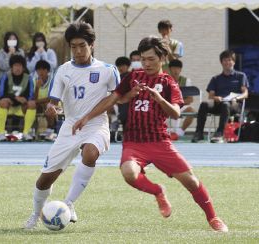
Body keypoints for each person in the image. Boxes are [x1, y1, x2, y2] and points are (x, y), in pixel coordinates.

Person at [73, 36, 228, 232]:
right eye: (143, 59)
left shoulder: (168, 83)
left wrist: (160, 99)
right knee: (129, 173)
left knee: (191, 181)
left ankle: (214, 218)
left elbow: (176, 113)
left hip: (160, 141)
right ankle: (158, 191)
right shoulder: (133, 76)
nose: (146, 63)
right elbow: (113, 99)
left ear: (162, 58)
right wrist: (87, 117)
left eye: (151, 59)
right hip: (134, 142)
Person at [24, 22, 120, 229]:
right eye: (73, 46)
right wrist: (51, 108)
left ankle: (69, 203)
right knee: (45, 180)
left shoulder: (108, 71)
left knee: (90, 153)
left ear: (92, 44)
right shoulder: (63, 70)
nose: (78, 51)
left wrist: (88, 117)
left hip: (96, 125)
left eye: (82, 46)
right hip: (69, 127)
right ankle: (35, 214)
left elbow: (115, 98)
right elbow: (54, 102)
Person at [192, 50, 248, 143]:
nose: (227, 62)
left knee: (226, 104)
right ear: (221, 62)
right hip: (219, 103)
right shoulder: (216, 78)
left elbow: (245, 94)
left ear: (234, 62)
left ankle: (220, 133)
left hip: (234, 104)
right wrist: (216, 98)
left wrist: (236, 98)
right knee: (204, 104)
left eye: (230, 60)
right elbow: (211, 95)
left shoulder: (241, 76)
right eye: (225, 60)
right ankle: (199, 133)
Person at [0, 55, 36, 141]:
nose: (17, 68)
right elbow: (1, 94)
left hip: (21, 108)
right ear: (11, 67)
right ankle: (1, 133)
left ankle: (26, 133)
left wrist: (25, 99)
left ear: (23, 67)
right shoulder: (5, 76)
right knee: (2, 102)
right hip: (8, 106)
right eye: (15, 66)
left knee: (32, 104)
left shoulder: (28, 78)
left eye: (20, 66)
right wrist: (15, 98)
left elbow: (30, 95)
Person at [169, 59, 195, 139]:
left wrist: (178, 103)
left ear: (180, 69)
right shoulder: (165, 80)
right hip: (168, 105)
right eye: (173, 68)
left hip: (181, 105)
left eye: (178, 68)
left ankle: (180, 131)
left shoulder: (186, 81)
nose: (176, 70)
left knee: (192, 111)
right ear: (170, 69)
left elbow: (190, 99)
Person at [34, 60, 56, 140]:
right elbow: (33, 99)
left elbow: (51, 97)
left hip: (50, 103)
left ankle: (50, 130)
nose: (41, 72)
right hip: (38, 104)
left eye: (44, 69)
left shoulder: (52, 81)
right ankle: (33, 130)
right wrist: (37, 87)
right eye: (39, 70)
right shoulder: (34, 80)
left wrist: (38, 101)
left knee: (48, 106)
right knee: (31, 106)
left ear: (48, 71)